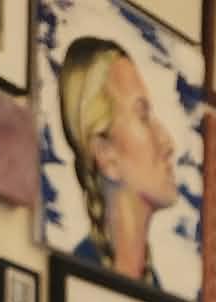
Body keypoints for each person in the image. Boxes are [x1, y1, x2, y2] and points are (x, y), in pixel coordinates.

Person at [57, 37, 178, 288]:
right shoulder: (80, 280)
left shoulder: (156, 289)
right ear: (105, 153)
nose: (167, 142)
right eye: (142, 115)